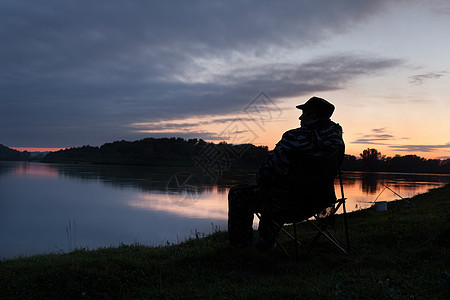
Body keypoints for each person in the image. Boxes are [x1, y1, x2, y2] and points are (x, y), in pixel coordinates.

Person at [228, 96, 345, 248]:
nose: (300, 117)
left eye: (303, 113)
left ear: (312, 115)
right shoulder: (338, 142)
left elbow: (268, 174)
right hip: (321, 201)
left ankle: (244, 245)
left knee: (239, 193)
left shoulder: (295, 137)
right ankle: (266, 240)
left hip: (289, 204)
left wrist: (261, 176)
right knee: (275, 189)